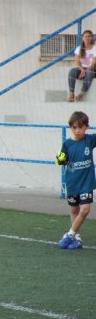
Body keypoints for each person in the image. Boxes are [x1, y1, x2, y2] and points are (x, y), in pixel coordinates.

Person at [55, 111, 96, 249]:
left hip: (86, 183)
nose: (77, 130)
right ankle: (77, 239)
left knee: (85, 209)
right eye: (74, 127)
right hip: (72, 182)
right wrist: (60, 159)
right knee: (74, 210)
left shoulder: (90, 140)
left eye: (80, 127)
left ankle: (70, 235)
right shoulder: (67, 144)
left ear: (87, 127)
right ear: (70, 128)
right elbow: (60, 160)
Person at [68, 30, 96, 102]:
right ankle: (71, 94)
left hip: (92, 69)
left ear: (92, 38)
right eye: (85, 36)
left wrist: (86, 71)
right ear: (82, 38)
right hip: (82, 69)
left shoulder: (95, 48)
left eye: (89, 36)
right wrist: (82, 70)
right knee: (72, 71)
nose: (87, 38)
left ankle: (81, 94)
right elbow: (77, 63)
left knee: (89, 72)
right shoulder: (78, 49)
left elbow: (94, 62)